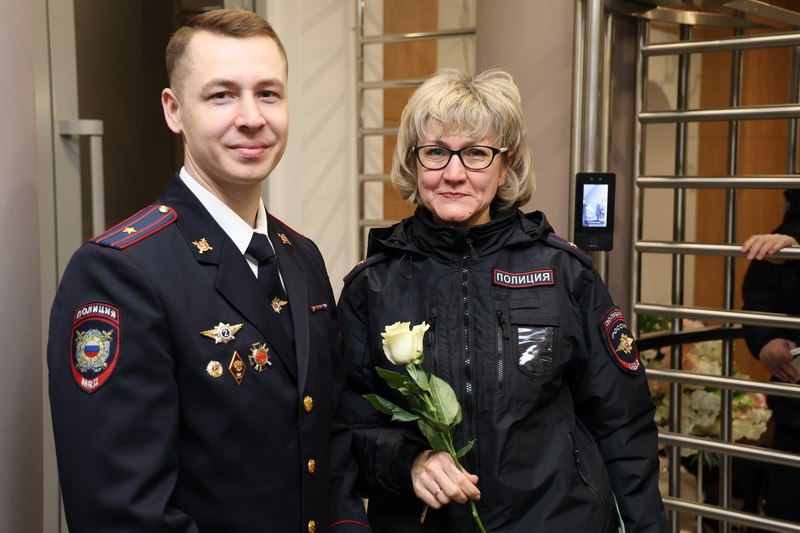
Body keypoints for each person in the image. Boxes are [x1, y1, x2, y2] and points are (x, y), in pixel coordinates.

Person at [47, 9, 369, 532]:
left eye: (268, 93)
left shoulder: (300, 256)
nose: (251, 117)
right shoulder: (121, 273)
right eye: (222, 95)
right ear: (174, 111)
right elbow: (122, 512)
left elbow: (328, 443)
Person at [338, 68, 667, 532]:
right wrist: (409, 462)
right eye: (435, 152)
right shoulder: (372, 286)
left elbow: (623, 424)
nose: (454, 174)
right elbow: (343, 431)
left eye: (476, 153)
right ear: (413, 162)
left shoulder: (565, 273)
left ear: (506, 164)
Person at [742, 189, 800, 524]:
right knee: (785, 516)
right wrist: (765, 340)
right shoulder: (794, 220)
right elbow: (760, 293)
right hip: (795, 409)